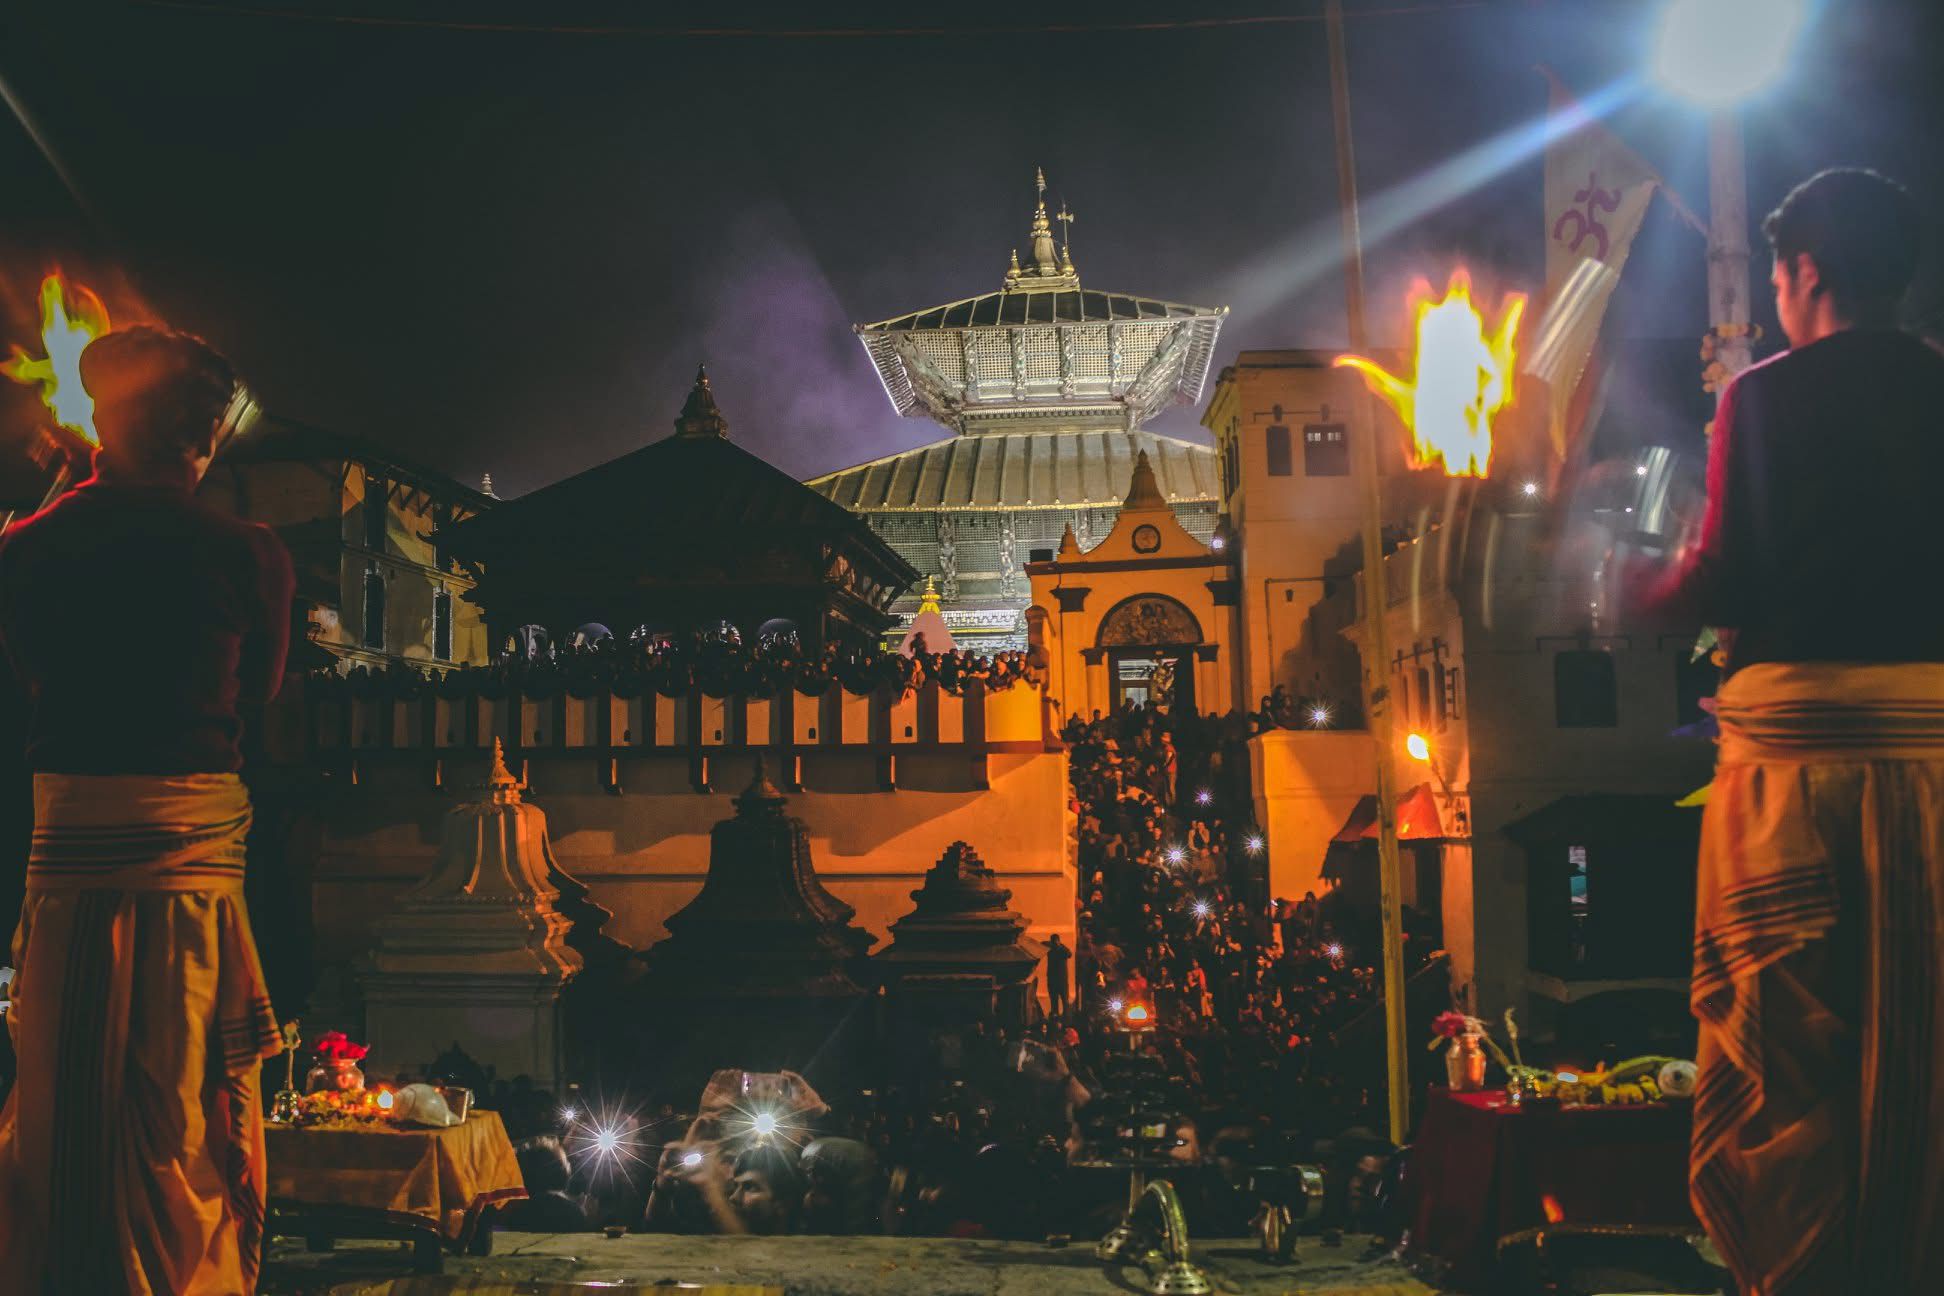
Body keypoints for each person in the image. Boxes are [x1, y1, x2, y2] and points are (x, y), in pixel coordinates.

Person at [1637, 169, 1944, 1295]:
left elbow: (1724, 576)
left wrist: (1630, 586)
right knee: (1918, 1059)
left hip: (1804, 777)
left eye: (1776, 276)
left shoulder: (1762, 400)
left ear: (1805, 272)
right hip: (1937, 767)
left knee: (1788, 1068)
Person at [0, 327, 293, 1292]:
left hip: (73, 862)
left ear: (101, 423)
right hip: (187, 874)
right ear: (207, 433)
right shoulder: (247, 553)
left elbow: (35, 676)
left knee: (61, 1108)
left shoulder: (30, 548)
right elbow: (260, 697)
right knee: (182, 1115)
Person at [1043, 932, 1071, 1018]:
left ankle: (1061, 1016)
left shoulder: (1060, 950)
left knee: (1059, 1001)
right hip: (1059, 979)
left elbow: (1069, 954)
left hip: (1056, 979)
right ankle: (1063, 1017)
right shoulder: (1058, 949)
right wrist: (1059, 945)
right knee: (1061, 1000)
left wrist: (1059, 945)